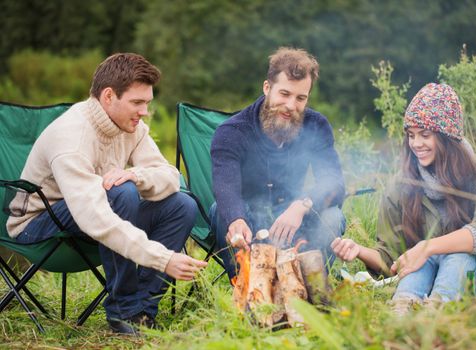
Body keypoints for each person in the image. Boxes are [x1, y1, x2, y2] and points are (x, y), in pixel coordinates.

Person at [7, 53, 207, 334]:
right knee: (119, 193)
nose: (145, 112)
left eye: (147, 103)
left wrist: (137, 175)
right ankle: (123, 312)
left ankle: (143, 314)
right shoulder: (72, 136)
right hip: (39, 226)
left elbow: (170, 176)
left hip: (93, 215)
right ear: (109, 96)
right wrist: (164, 258)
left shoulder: (131, 126)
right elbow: (95, 217)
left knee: (182, 205)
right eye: (137, 103)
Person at [331, 83, 476, 314]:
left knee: (453, 253)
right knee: (420, 262)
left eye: (425, 135)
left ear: (448, 138)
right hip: (426, 277)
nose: (416, 144)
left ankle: (435, 315)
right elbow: (393, 260)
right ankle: (401, 313)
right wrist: (360, 250)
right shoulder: (402, 185)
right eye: (411, 135)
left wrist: (427, 248)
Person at [210, 47, 346, 278]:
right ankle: (249, 291)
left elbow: (334, 181)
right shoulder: (232, 132)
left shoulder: (316, 125)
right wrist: (236, 218)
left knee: (333, 216)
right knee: (219, 211)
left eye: (300, 98)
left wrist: (302, 205)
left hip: (294, 220)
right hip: (249, 222)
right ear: (267, 88)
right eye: (284, 94)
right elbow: (226, 186)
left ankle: (314, 287)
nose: (291, 105)